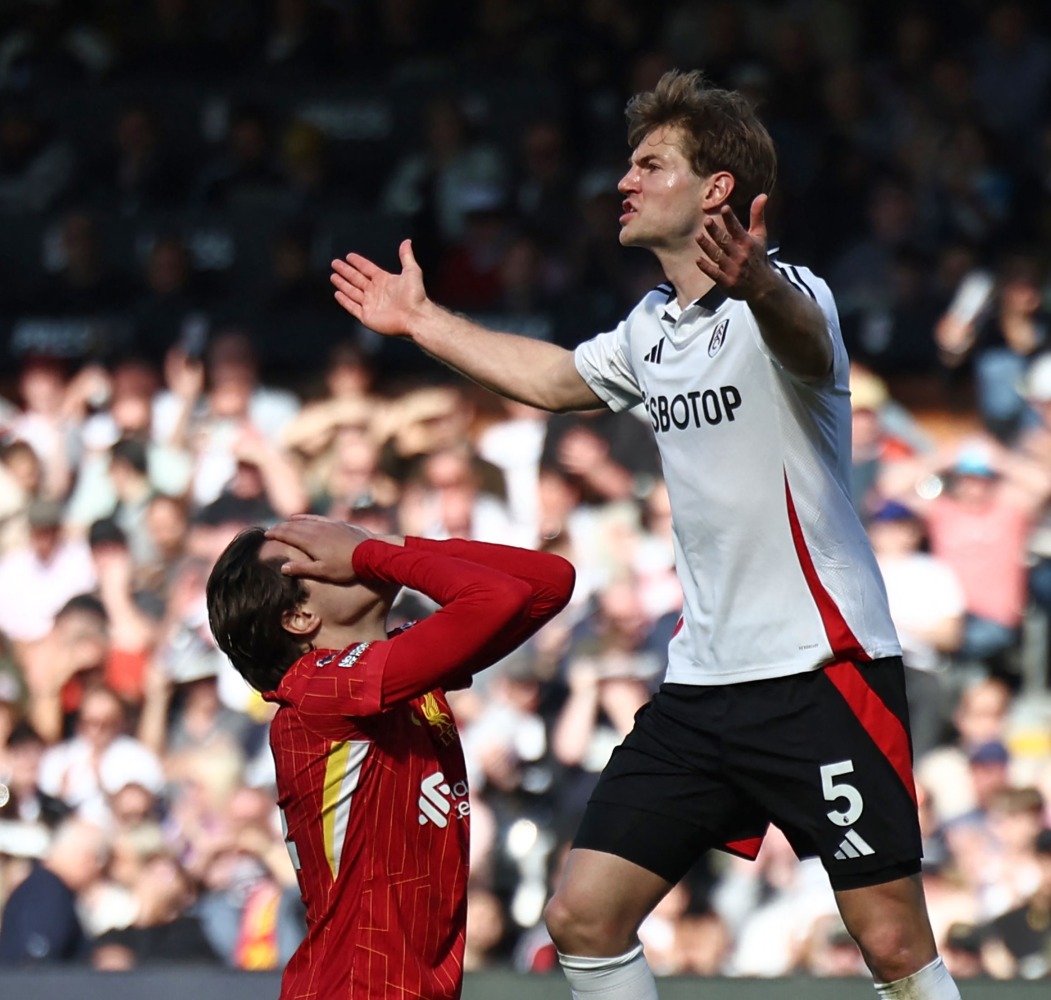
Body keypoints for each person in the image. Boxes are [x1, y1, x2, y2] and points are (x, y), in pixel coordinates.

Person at [330, 69, 961, 1000]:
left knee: (892, 940)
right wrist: (421, 322)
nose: (624, 181)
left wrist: (755, 281)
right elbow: (553, 380)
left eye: (650, 164)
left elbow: (801, 339)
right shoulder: (650, 327)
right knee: (582, 916)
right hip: (702, 684)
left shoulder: (793, 295)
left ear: (715, 190)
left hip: (820, 670)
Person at [205, 515, 574, 999]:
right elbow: (499, 597)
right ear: (299, 618)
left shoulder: (391, 672)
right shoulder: (317, 691)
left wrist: (387, 544)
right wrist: (373, 555)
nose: (342, 542)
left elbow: (549, 582)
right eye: (316, 553)